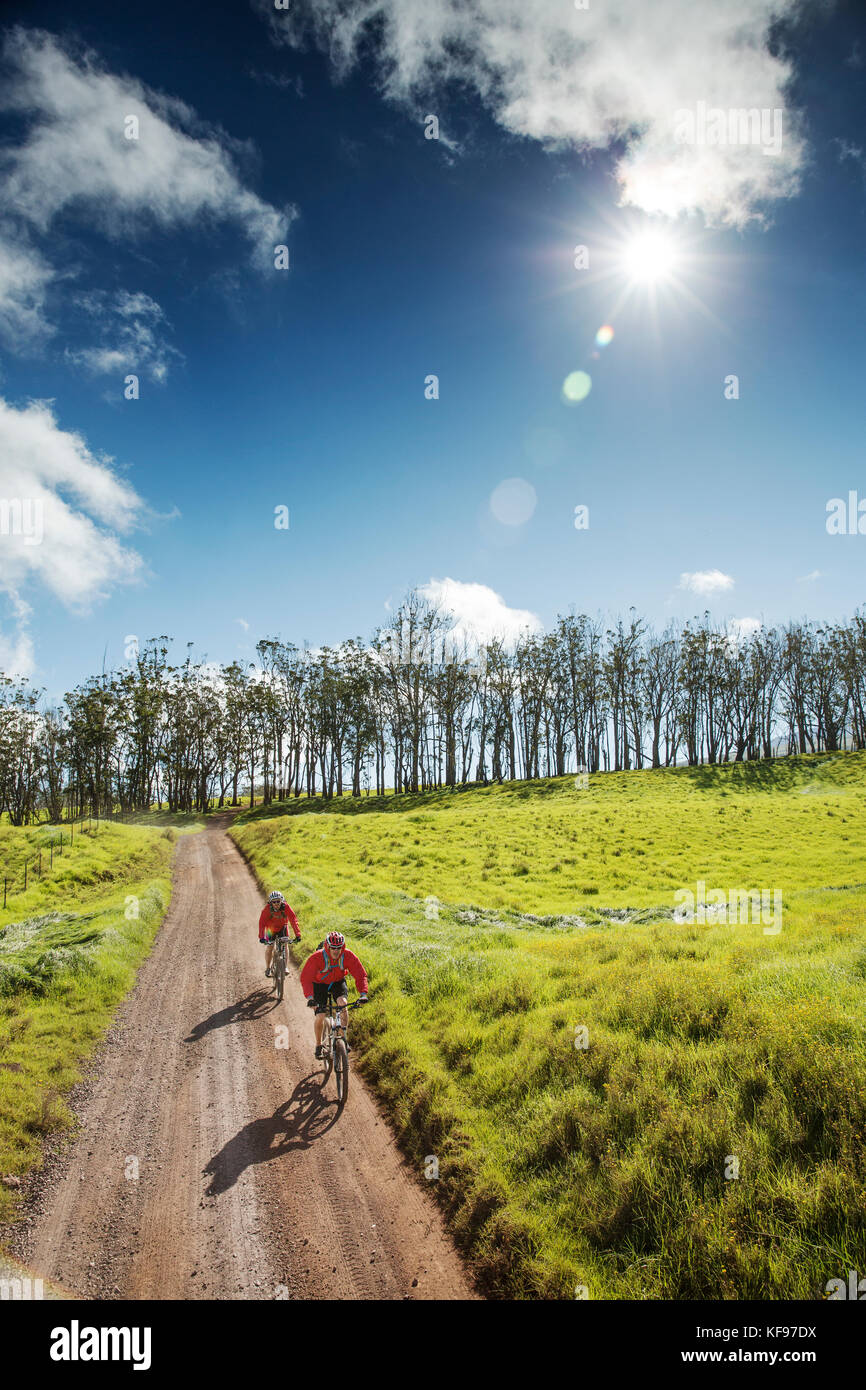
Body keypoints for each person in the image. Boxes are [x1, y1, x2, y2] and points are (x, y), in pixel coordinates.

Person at [300, 930, 368, 1059]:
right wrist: (310, 998)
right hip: (319, 985)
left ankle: (343, 1038)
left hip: (337, 982)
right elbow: (306, 978)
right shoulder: (317, 957)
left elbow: (360, 974)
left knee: (343, 1005)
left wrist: (363, 994)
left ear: (342, 946)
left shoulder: (347, 956)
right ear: (327, 946)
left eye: (338, 948)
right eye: (333, 948)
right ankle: (319, 1045)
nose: (336, 951)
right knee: (320, 1015)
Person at [259, 889, 301, 977]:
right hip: (270, 929)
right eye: (274, 902)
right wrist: (262, 937)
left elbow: (293, 920)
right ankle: (268, 968)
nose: (276, 903)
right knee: (270, 947)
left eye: (278, 901)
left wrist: (298, 935)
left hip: (283, 927)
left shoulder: (286, 907)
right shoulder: (267, 909)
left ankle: (285, 966)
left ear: (281, 901)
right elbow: (262, 923)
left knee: (285, 945)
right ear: (271, 903)